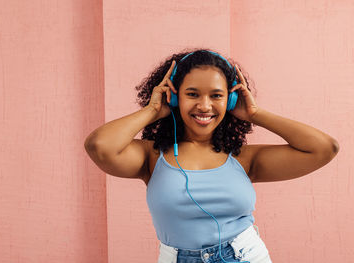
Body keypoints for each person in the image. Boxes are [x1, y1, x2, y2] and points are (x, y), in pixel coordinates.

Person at [84, 48, 339, 263]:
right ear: (174, 97)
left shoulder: (244, 159)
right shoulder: (150, 156)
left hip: (245, 255)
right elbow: (99, 146)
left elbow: (324, 148)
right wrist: (152, 110)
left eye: (216, 96)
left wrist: (255, 114)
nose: (204, 106)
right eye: (192, 94)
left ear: (229, 101)